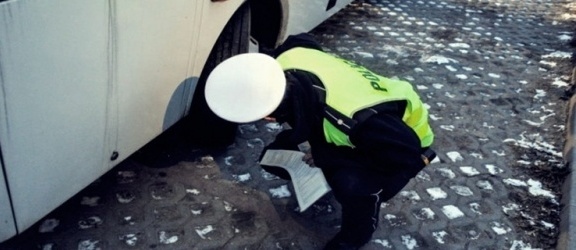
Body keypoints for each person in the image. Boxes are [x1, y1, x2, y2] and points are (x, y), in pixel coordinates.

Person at [204, 33, 435, 250]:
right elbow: (302, 40)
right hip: (360, 123)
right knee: (273, 156)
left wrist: (328, 156)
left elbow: (405, 156)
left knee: (350, 184)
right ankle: (328, 171)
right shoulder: (286, 60)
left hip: (402, 145)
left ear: (270, 115)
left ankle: (357, 233)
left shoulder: (354, 120)